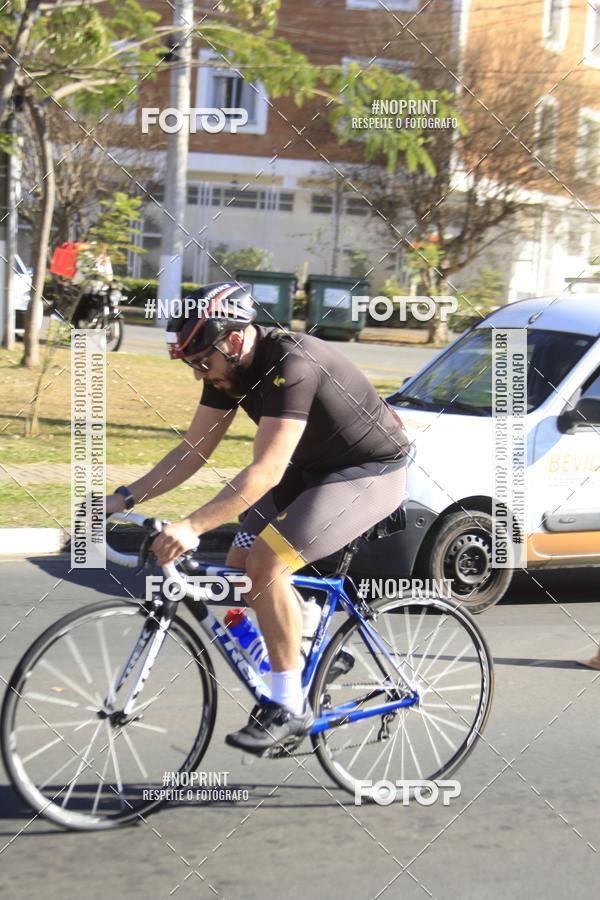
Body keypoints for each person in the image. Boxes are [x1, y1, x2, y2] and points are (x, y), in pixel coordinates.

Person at [105, 281, 410, 754]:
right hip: (308, 473)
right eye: (191, 364)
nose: (199, 373)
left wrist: (191, 526)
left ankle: (288, 706)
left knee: (267, 563)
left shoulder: (294, 363)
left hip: (366, 474)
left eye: (203, 360)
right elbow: (192, 452)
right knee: (236, 569)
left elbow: (265, 471)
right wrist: (122, 498)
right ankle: (309, 648)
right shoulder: (227, 370)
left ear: (233, 338)